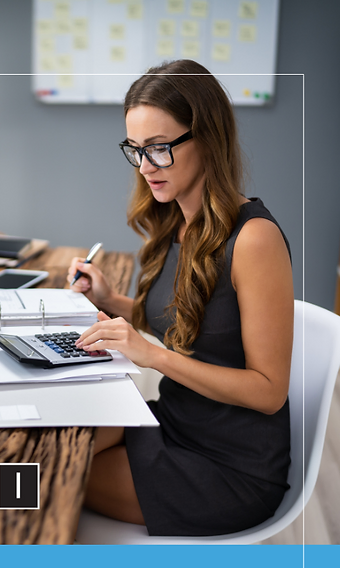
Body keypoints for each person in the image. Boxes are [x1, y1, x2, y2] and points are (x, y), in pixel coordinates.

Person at [68, 59, 294, 536]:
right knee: (50, 442)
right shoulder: (178, 221)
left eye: (160, 148)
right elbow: (197, 327)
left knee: (51, 475)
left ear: (208, 136)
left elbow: (269, 391)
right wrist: (114, 302)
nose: (147, 167)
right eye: (136, 150)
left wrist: (152, 357)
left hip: (229, 467)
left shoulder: (253, 239)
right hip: (175, 422)